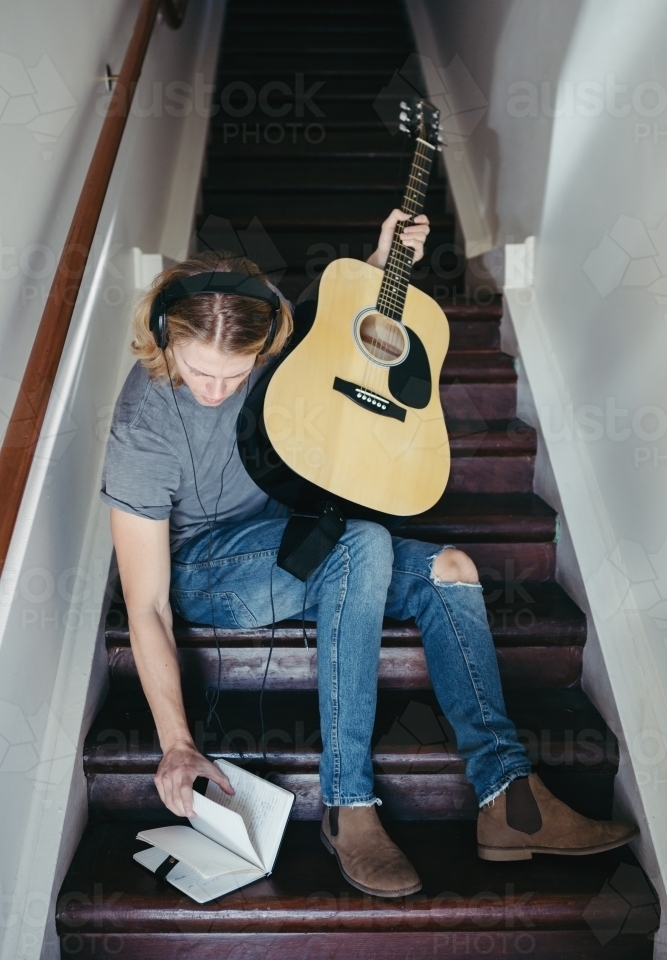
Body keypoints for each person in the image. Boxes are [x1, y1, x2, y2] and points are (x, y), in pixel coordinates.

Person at [101, 210, 637, 899]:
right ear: (164, 336)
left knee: (451, 570)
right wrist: (175, 742)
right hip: (210, 572)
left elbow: (349, 334)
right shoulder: (142, 422)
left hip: (296, 540)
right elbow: (144, 605)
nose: (216, 390)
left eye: (234, 375)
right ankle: (348, 804)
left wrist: (385, 264)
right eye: (201, 372)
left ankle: (509, 798)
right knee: (359, 542)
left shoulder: (271, 346)